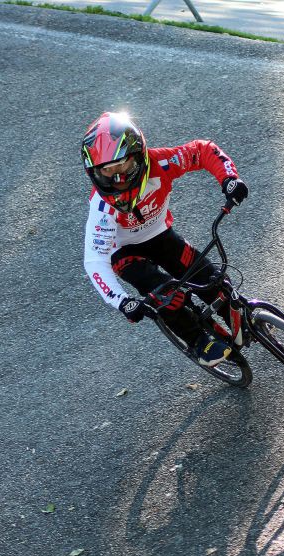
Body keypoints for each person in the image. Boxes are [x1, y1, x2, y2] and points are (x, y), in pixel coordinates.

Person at [82, 111, 248, 366]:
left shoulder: (161, 163)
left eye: (122, 165)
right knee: (165, 294)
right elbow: (95, 261)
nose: (117, 178)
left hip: (160, 235)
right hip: (125, 253)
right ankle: (197, 340)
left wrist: (229, 179)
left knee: (212, 281)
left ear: (139, 156)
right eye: (107, 170)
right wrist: (122, 301)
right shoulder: (102, 209)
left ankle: (243, 322)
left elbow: (202, 151)